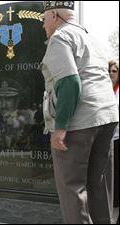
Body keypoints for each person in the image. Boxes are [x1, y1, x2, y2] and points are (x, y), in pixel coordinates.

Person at [41, 2, 119, 223]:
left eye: (44, 19)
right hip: (107, 117)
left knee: (72, 188)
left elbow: (70, 83)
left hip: (80, 122)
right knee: (99, 183)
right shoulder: (94, 39)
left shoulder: (60, 37)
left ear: (55, 15)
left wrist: (60, 128)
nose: (43, 25)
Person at [0, 80, 21, 149]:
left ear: (17, 101)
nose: (3, 105)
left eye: (8, 99)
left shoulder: (21, 120)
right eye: (0, 99)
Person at [108, 60, 119, 209]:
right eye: (109, 71)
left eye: (114, 71)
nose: (110, 73)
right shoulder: (104, 90)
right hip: (106, 139)